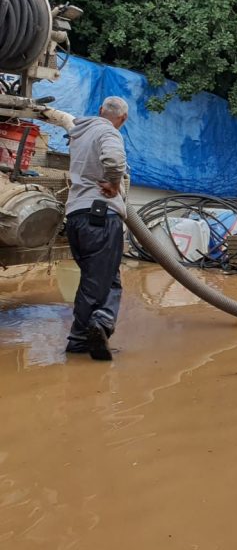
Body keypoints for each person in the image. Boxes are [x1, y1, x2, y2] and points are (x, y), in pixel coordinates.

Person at [46, 97, 131, 360]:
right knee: (97, 282)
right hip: (101, 217)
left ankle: (99, 324)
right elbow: (114, 161)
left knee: (106, 278)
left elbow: (65, 122)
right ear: (123, 119)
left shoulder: (80, 132)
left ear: (99, 111)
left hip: (76, 218)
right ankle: (85, 335)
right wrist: (115, 184)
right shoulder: (108, 131)